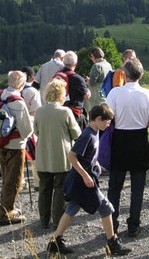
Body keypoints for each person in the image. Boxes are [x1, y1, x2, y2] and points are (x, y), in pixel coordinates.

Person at [46, 104, 132, 256]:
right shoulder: (87, 135)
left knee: (72, 208)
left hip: (83, 180)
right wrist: (86, 175)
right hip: (84, 181)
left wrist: (95, 163)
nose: (109, 124)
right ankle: (113, 244)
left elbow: (86, 155)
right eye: (107, 121)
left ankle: (55, 241)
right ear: (98, 119)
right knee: (106, 207)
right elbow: (72, 156)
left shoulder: (95, 132)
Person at [106, 59, 149, 237]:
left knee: (115, 187)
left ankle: (112, 223)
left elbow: (109, 117)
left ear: (125, 75)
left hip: (120, 139)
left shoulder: (114, 93)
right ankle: (134, 224)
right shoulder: (148, 94)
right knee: (138, 188)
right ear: (141, 75)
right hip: (139, 139)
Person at [34, 79, 83, 229]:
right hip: (61, 155)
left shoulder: (39, 111)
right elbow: (77, 134)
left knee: (44, 188)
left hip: (43, 154)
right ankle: (57, 220)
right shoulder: (65, 112)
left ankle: (43, 219)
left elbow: (36, 131)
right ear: (62, 95)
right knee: (60, 188)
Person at [0, 71, 34, 226]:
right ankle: (5, 213)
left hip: (0, 142)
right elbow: (27, 130)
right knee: (15, 180)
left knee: (7, 178)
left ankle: (7, 208)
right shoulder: (18, 102)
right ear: (20, 84)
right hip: (15, 145)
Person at [53, 51, 91, 129]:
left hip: (57, 111)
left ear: (63, 61)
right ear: (76, 64)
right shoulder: (78, 78)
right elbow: (86, 96)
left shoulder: (57, 75)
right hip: (74, 113)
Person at [20, 66, 41, 191]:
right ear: (32, 78)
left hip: (16, 127)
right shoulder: (33, 92)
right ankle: (37, 182)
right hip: (31, 125)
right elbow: (36, 111)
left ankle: (21, 180)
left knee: (20, 155)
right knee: (34, 156)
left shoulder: (14, 91)